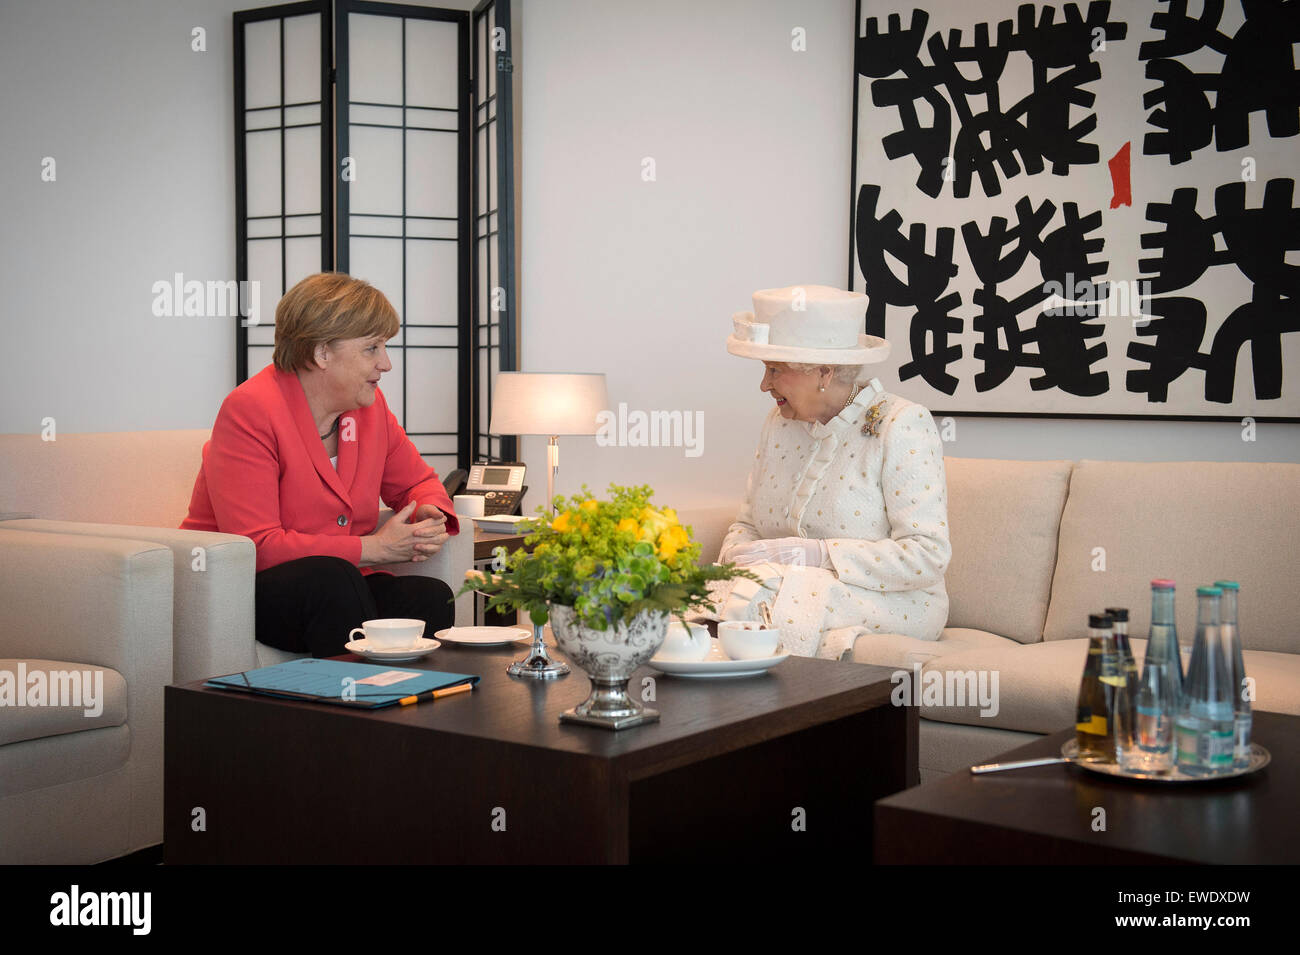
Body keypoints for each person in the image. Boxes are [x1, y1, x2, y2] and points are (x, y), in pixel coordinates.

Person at [180, 272, 460, 657]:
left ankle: (410, 711)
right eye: (372, 348)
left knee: (427, 595)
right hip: (243, 585)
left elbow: (419, 482)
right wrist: (374, 548)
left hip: (334, 582)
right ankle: (347, 712)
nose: (386, 364)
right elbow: (256, 546)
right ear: (321, 352)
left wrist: (429, 512)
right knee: (332, 579)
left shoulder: (369, 409)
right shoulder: (251, 409)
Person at [715, 284, 951, 660]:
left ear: (824, 372)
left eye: (775, 370)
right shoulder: (778, 424)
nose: (764, 384)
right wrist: (741, 560)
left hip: (895, 599)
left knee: (794, 596)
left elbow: (927, 555)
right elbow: (746, 526)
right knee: (698, 597)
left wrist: (819, 555)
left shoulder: (901, 424)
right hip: (784, 586)